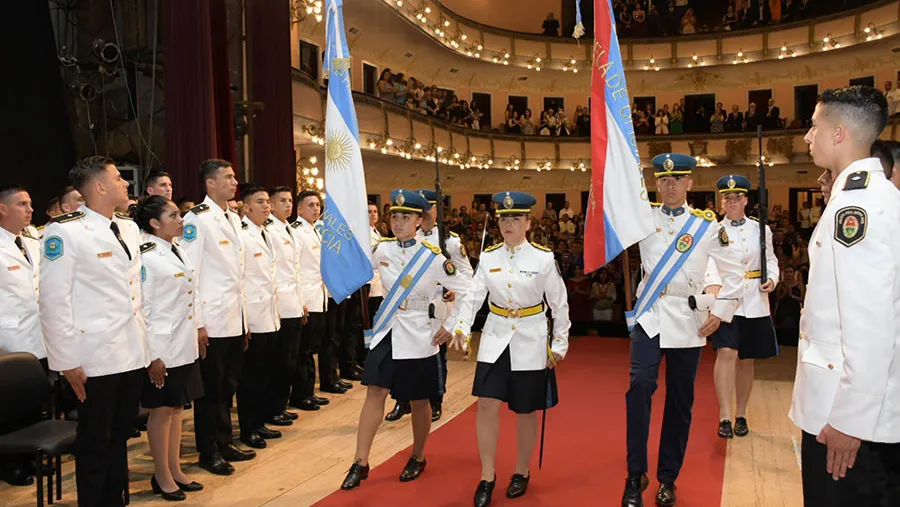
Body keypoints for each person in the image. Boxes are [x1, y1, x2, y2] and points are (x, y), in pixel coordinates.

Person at [789, 86, 900, 506]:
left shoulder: (856, 210)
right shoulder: (874, 196)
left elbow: (870, 323)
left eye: (814, 126)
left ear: (838, 133)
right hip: (850, 409)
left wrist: (850, 421)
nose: (807, 136)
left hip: (844, 418)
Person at [622, 153, 745, 507]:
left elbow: (734, 271)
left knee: (679, 401)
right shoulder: (642, 220)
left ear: (690, 183)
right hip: (650, 315)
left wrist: (721, 312)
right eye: (663, 180)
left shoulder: (706, 227)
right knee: (639, 386)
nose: (669, 185)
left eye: (677, 179)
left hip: (688, 321)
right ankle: (635, 474)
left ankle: (667, 478)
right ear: (656, 184)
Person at [341, 189, 471, 490]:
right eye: (394, 216)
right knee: (375, 390)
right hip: (388, 328)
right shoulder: (382, 250)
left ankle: (418, 455)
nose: (398, 222)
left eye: (406, 217)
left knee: (419, 398)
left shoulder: (434, 257)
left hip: (419, 332)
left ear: (419, 220)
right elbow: (356, 268)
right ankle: (360, 461)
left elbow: (468, 289)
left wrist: (453, 324)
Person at [40, 156, 149, 507]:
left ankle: (114, 500)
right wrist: (65, 361)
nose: (126, 184)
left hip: (130, 350)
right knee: (95, 441)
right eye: (119, 178)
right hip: (94, 357)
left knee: (120, 435)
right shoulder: (66, 231)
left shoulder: (127, 227)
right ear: (99, 187)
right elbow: (54, 302)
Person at [449, 191, 570, 507]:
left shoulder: (543, 258)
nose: (508, 224)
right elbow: (474, 297)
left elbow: (559, 304)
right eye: (504, 218)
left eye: (516, 218)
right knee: (486, 403)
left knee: (525, 410)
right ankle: (487, 475)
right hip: (495, 338)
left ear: (529, 222)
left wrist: (559, 344)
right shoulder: (488, 258)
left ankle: (521, 470)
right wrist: (461, 326)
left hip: (530, 339)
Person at [180, 159, 256, 476]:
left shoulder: (230, 217)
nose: (234, 181)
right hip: (211, 318)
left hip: (233, 317)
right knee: (210, 390)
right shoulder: (197, 219)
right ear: (210, 184)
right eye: (227, 177)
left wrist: (245, 321)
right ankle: (207, 450)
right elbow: (190, 274)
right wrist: (197, 322)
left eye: (234, 176)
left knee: (228, 385)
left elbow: (237, 276)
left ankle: (225, 442)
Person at [134, 195, 204, 500]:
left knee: (177, 408)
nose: (181, 220)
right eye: (173, 215)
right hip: (162, 347)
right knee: (161, 411)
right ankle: (161, 475)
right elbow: (143, 310)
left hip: (181, 343)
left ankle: (175, 468)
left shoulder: (176, 250)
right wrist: (152, 357)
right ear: (154, 223)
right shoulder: (147, 256)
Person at [385, 190, 475, 423]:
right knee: (402, 355)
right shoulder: (408, 237)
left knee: (436, 354)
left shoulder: (449, 240)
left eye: (429, 209)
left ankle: (435, 400)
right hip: (410, 306)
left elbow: (465, 272)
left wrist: (452, 289)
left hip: (439, 304)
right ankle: (402, 400)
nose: (425, 213)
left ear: (436, 211)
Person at [708, 175, 779, 439]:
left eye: (737, 196)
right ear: (722, 201)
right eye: (727, 197)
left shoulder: (761, 229)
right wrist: (713, 284)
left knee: (746, 360)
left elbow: (770, 259)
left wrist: (772, 278)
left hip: (754, 299)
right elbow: (709, 263)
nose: (732, 201)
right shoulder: (713, 230)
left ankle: (741, 413)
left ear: (746, 200)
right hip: (727, 300)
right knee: (726, 352)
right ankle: (724, 415)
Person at [0, 185, 44, 487]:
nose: (30, 210)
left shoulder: (32, 241)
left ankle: (31, 456)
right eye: (22, 204)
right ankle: (11, 464)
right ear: (2, 208)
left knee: (33, 402)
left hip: (37, 334)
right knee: (9, 406)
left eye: (30, 203)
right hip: (10, 336)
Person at [237, 187, 283, 450]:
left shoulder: (264, 233)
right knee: (251, 376)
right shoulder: (242, 236)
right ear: (246, 207)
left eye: (267, 202)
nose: (266, 207)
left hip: (270, 312)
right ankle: (249, 427)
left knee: (266, 371)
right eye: (260, 202)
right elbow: (241, 279)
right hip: (253, 314)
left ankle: (261, 420)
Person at [291, 191, 339, 412]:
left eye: (318, 205)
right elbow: (296, 270)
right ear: (299, 209)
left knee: (312, 348)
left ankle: (309, 391)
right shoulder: (297, 232)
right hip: (307, 298)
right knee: (303, 351)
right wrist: (301, 301)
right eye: (310, 205)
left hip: (319, 296)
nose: (316, 209)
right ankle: (301, 394)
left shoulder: (314, 230)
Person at [266, 187, 305, 425]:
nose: (288, 205)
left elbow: (295, 270)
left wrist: (301, 302)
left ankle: (281, 403)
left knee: (290, 358)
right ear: (271, 204)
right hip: (278, 303)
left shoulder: (287, 227)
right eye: (282, 201)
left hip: (293, 302)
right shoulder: (268, 229)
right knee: (278, 361)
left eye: (290, 200)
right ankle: (273, 407)